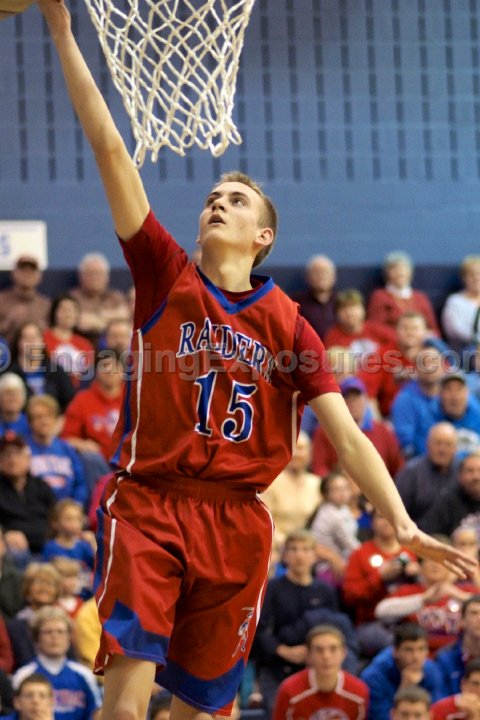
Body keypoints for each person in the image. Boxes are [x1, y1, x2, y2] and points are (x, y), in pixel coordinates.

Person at [37, 3, 475, 718]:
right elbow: (111, 149)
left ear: (263, 235)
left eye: (235, 200)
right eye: (212, 197)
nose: (217, 202)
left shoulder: (291, 326)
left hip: (238, 522)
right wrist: (61, 30)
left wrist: (399, 520)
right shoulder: (165, 274)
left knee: (204, 710)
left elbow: (347, 436)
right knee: (126, 703)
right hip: (149, 505)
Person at [253, 530, 357, 718]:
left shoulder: (325, 590)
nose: (299, 555)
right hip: (278, 666)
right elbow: (258, 631)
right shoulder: (272, 588)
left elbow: (333, 630)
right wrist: (282, 650)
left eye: (305, 549)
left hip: (317, 666)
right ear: (285, 555)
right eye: (293, 549)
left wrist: (317, 653)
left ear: (314, 555)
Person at [342, 510, 419, 659]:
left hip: (408, 621)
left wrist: (417, 577)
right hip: (371, 622)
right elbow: (350, 596)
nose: (386, 522)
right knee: (400, 645)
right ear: (372, 522)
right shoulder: (360, 554)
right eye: (381, 517)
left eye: (390, 517)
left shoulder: (411, 553)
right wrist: (379, 577)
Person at [12, 607, 102, 720]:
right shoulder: (23, 675)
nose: (54, 637)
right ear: (36, 638)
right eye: (48, 632)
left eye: (60, 632)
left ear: (69, 637)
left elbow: (96, 713)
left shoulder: (84, 674)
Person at [272, 625, 369, 720]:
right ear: (309, 655)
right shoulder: (289, 691)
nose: (326, 656)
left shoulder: (358, 693)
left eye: (333, 649)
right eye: (319, 650)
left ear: (343, 653)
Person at [312, 377, 404, 477]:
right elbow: (319, 468)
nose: (353, 402)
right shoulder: (325, 431)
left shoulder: (383, 431)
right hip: (340, 484)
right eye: (348, 398)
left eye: (357, 397)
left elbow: (398, 467)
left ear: (365, 399)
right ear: (340, 403)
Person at [360, 623, 445, 720]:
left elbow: (438, 712)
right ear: (395, 651)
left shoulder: (432, 670)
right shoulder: (374, 677)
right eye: (409, 650)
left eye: (421, 649)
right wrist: (404, 689)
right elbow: (379, 717)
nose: (416, 657)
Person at [0, 431, 57, 562]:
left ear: (28, 459)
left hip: (47, 545)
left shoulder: (42, 486)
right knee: (14, 554)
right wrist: (5, 532)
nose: (12, 460)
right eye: (6, 455)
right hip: (15, 549)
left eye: (17, 454)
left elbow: (56, 516)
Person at [25, 395, 89, 506]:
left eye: (48, 416)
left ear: (56, 419)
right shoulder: (24, 449)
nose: (44, 421)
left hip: (67, 508)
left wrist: (76, 505)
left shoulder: (67, 449)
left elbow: (80, 483)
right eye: (38, 417)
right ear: (30, 422)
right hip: (36, 508)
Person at [260, 431, 321, 542]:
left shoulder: (317, 483)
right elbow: (264, 520)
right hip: (276, 544)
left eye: (300, 448)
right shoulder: (270, 483)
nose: (296, 454)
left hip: (312, 545)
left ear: (310, 454)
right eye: (292, 448)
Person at [6, 321, 76, 414]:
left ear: (42, 341)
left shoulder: (56, 371)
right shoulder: (9, 374)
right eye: (26, 337)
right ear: (18, 343)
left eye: (35, 337)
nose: (32, 341)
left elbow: (71, 402)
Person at [394, 423, 459, 523]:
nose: (442, 450)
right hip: (417, 530)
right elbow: (397, 511)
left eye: (448, 444)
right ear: (427, 444)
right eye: (438, 443)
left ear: (456, 448)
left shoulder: (463, 473)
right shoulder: (411, 473)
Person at [391, 347, 447, 459]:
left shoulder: (451, 392)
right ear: (416, 368)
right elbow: (406, 441)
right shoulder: (405, 399)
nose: (429, 367)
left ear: (443, 367)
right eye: (423, 363)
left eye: (433, 362)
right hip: (421, 459)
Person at [367, 251, 440, 335]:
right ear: (387, 273)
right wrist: (404, 335)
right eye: (394, 268)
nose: (400, 272)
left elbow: (434, 329)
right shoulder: (380, 296)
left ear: (410, 272)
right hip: (392, 340)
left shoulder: (421, 297)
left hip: (422, 341)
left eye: (404, 267)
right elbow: (375, 328)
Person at [69, 253, 131, 343]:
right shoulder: (73, 298)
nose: (95, 277)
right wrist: (110, 318)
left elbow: (124, 315)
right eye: (90, 273)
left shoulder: (115, 296)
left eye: (99, 273)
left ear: (107, 276)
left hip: (113, 345)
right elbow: (80, 322)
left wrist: (95, 319)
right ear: (81, 276)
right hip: (83, 344)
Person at [419, 451, 480, 537]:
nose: (476, 477)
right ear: (459, 476)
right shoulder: (447, 502)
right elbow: (428, 534)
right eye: (470, 471)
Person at [43, 294, 95, 386]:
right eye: (63, 310)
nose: (67, 314)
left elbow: (88, 375)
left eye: (72, 310)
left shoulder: (85, 344)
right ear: (54, 313)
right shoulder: (43, 339)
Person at [0, 256, 51, 344]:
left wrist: (42, 329)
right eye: (23, 270)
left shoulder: (46, 305)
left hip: (36, 352)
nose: (27, 274)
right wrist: (8, 323)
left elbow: (57, 335)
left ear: (39, 276)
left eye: (31, 271)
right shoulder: (1, 300)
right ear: (13, 274)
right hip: (5, 350)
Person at [436, 595, 480, 696]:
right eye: (474, 613)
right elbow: (439, 697)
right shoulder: (445, 657)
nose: (479, 619)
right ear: (462, 621)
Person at [291, 255, 337, 340]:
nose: (321, 276)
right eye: (316, 272)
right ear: (308, 277)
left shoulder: (342, 302)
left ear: (334, 277)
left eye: (325, 272)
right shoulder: (295, 304)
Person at [442, 255, 480, 356]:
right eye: (471, 274)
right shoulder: (455, 301)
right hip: (465, 351)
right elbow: (454, 331)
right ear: (464, 278)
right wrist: (477, 339)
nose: (476, 277)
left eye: (479, 273)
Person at [0, 374, 29, 439]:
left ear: (23, 397)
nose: (12, 398)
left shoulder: (31, 424)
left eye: (16, 394)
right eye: (7, 393)